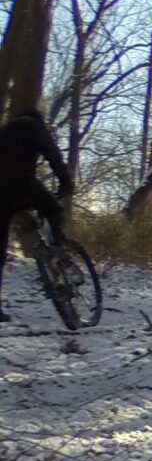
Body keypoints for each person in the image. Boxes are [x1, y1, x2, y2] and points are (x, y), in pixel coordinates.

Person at [0, 105, 71, 314]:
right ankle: (58, 254)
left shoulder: (6, 131)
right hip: (15, 176)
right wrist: (64, 179)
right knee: (53, 209)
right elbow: (50, 150)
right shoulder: (32, 125)